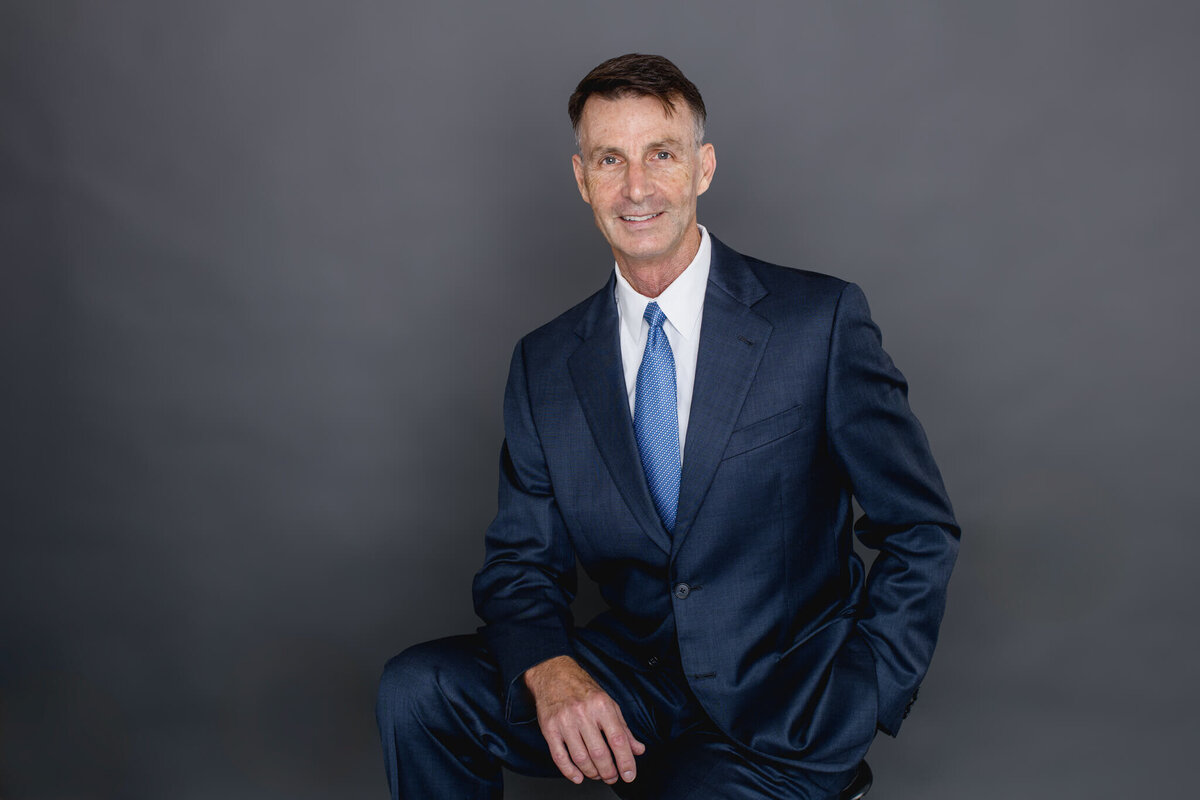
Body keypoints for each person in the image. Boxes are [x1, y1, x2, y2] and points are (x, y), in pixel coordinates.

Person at [376, 53, 959, 799]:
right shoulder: (546, 364)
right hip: (634, 685)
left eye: (661, 154)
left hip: (787, 707)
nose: (637, 187)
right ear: (582, 178)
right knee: (419, 689)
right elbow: (521, 564)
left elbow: (920, 528)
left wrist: (868, 688)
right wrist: (550, 670)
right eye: (610, 159)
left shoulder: (818, 323)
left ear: (703, 167)